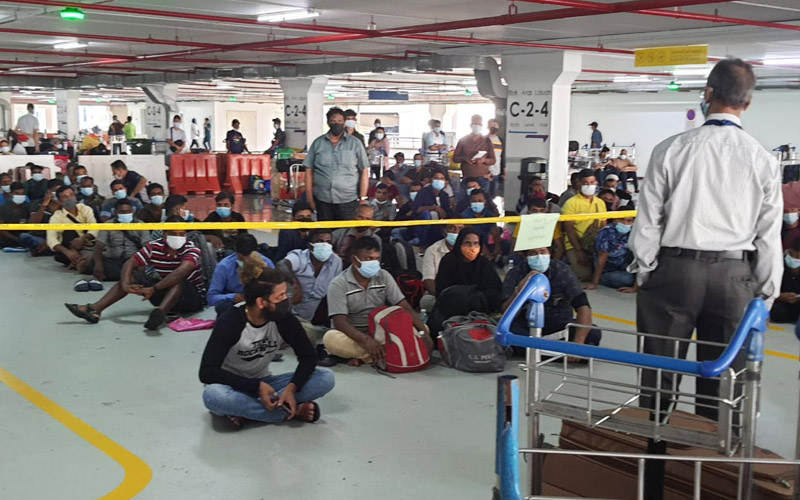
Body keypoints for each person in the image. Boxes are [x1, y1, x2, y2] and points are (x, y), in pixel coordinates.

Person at [629, 58, 782, 430]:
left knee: (660, 369)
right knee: (724, 374)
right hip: (734, 276)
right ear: (748, 102)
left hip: (674, 271)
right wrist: (766, 293)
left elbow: (648, 222)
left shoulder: (671, 149)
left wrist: (647, 271)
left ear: (708, 94)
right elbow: (768, 234)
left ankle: (655, 443)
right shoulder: (763, 160)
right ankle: (712, 449)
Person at [199, 261, 334, 429]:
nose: (286, 300)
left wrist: (292, 388)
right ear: (261, 303)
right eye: (280, 297)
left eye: (285, 294)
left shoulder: (283, 318)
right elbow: (207, 372)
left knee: (325, 378)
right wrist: (256, 386)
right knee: (214, 396)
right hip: (231, 385)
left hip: (266, 383)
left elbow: (308, 357)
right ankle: (287, 411)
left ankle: (247, 410)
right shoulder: (230, 321)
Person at [65, 215, 207, 330]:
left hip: (192, 298)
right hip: (164, 292)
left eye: (182, 234)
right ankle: (94, 309)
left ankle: (160, 314)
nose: (178, 237)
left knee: (177, 279)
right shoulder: (154, 247)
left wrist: (153, 289)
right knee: (133, 276)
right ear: (165, 234)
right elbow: (130, 263)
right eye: (173, 234)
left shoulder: (192, 249)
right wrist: (126, 284)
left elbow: (183, 270)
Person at [323, 237, 431, 365]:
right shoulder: (338, 284)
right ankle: (392, 353)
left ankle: (369, 356)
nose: (374, 263)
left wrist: (423, 333)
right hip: (353, 335)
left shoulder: (383, 275)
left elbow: (404, 306)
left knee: (424, 327)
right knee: (331, 339)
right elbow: (340, 322)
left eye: (376, 259)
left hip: (381, 330)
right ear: (354, 260)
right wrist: (366, 340)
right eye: (368, 258)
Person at [502, 247, 602, 356]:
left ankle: (536, 351)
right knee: (505, 332)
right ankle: (559, 353)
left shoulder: (561, 270)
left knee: (593, 333)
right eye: (533, 253)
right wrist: (519, 292)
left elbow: (583, 306)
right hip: (527, 327)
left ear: (549, 253)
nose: (539, 256)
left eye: (542, 252)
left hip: (559, 326)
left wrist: (578, 342)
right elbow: (506, 314)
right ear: (526, 257)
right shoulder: (515, 273)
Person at [277, 228, 343, 344]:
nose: (325, 245)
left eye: (328, 242)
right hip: (285, 313)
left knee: (310, 334)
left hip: (305, 319)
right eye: (320, 241)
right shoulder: (299, 257)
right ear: (310, 246)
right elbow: (281, 265)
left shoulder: (336, 262)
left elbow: (336, 291)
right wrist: (295, 284)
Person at [303, 107, 369, 221]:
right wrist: (310, 198)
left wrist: (363, 198)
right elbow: (309, 171)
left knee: (345, 231)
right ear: (328, 122)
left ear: (344, 123)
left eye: (340, 121)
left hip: (348, 199)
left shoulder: (355, 143)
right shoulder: (318, 143)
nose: (337, 124)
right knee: (325, 230)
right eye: (333, 121)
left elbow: (364, 170)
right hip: (322, 199)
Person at [434, 227, 503, 317]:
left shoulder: (483, 263)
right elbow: (443, 291)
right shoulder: (449, 260)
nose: (472, 248)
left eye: (476, 243)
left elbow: (495, 290)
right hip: (453, 308)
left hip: (481, 309)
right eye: (467, 243)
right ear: (460, 244)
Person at [207, 234, 275, 315]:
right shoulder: (224, 266)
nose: (245, 261)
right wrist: (233, 297)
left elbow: (276, 290)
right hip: (235, 306)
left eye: (249, 258)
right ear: (236, 252)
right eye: (242, 258)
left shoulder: (267, 264)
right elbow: (211, 297)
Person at [561, 169, 606, 282]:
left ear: (596, 183)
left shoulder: (600, 203)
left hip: (594, 245)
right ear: (579, 183)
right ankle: (567, 262)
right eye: (585, 183)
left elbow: (603, 226)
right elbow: (569, 229)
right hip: (575, 245)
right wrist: (579, 251)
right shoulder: (571, 203)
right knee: (585, 276)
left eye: (592, 182)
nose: (589, 185)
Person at [92, 199, 151, 282]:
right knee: (97, 265)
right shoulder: (107, 225)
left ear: (133, 211)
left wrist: (143, 262)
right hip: (113, 260)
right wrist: (98, 265)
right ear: (115, 212)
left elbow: (146, 245)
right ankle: (128, 276)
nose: (125, 214)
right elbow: (99, 245)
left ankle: (127, 275)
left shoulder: (141, 225)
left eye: (128, 211)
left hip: (133, 260)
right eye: (122, 212)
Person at [48, 185, 99, 272]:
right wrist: (67, 251)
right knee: (69, 232)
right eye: (65, 197)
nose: (69, 198)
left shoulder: (86, 209)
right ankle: (79, 260)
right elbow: (51, 239)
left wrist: (83, 238)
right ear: (60, 202)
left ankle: (79, 261)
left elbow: (94, 227)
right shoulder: (56, 217)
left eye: (71, 195)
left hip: (87, 243)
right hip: (69, 246)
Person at [398, 170, 451, 248]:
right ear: (431, 180)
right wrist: (434, 208)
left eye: (441, 178)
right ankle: (422, 242)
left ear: (445, 181)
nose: (439, 180)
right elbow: (416, 210)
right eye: (436, 178)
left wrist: (440, 211)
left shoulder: (444, 195)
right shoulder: (423, 192)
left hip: (438, 226)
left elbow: (446, 213)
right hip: (420, 226)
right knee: (427, 214)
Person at [584, 213, 636, 292]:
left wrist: (635, 287)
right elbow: (602, 259)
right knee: (627, 279)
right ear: (615, 219)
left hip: (627, 268)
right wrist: (594, 283)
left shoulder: (634, 232)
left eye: (629, 221)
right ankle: (602, 278)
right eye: (621, 219)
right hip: (609, 270)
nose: (625, 223)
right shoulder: (607, 232)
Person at [421, 223, 464, 308]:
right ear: (444, 231)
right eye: (452, 228)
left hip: (465, 293)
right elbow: (428, 280)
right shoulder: (432, 250)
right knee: (426, 302)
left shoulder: (469, 247)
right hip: (441, 293)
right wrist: (441, 297)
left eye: (460, 228)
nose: (456, 231)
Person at [452, 115, 495, 193]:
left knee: (483, 198)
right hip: (467, 177)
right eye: (475, 124)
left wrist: (484, 160)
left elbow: (493, 160)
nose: (477, 126)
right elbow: (455, 158)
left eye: (479, 124)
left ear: (482, 126)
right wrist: (465, 158)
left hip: (483, 178)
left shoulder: (487, 141)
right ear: (471, 125)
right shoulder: (463, 140)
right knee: (466, 199)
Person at [0, 182, 47, 253]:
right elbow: (2, 229)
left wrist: (26, 236)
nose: (20, 196)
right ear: (11, 194)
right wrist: (16, 239)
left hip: (26, 238)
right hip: (8, 240)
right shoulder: (3, 208)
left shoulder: (28, 206)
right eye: (17, 193)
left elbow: (33, 224)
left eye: (22, 193)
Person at [770, 239, 800, 324]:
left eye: (799, 257)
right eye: (792, 255)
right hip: (776, 303)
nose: (795, 259)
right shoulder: (776, 263)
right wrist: (779, 296)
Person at [486, 118, 504, 198]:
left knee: (494, 195)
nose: (494, 127)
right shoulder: (484, 139)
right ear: (488, 127)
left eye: (495, 125)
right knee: (486, 195)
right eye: (491, 125)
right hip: (487, 173)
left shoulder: (500, 140)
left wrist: (504, 171)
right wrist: (486, 171)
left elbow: (502, 156)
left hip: (497, 172)